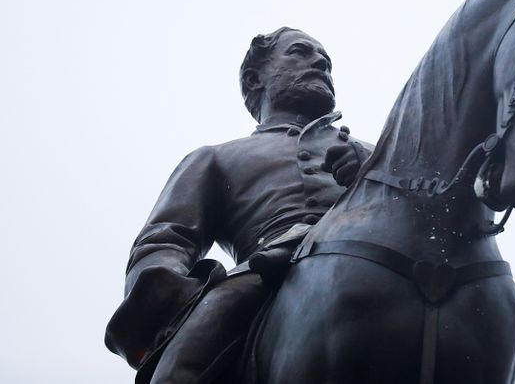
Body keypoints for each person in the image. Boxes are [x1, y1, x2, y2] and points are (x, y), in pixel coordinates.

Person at [105, 27, 372, 383]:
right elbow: (165, 241)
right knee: (183, 365)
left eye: (325, 59)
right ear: (254, 78)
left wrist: (376, 173)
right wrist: (183, 300)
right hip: (270, 268)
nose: (320, 62)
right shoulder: (215, 158)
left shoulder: (379, 151)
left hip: (386, 252)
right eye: (299, 52)